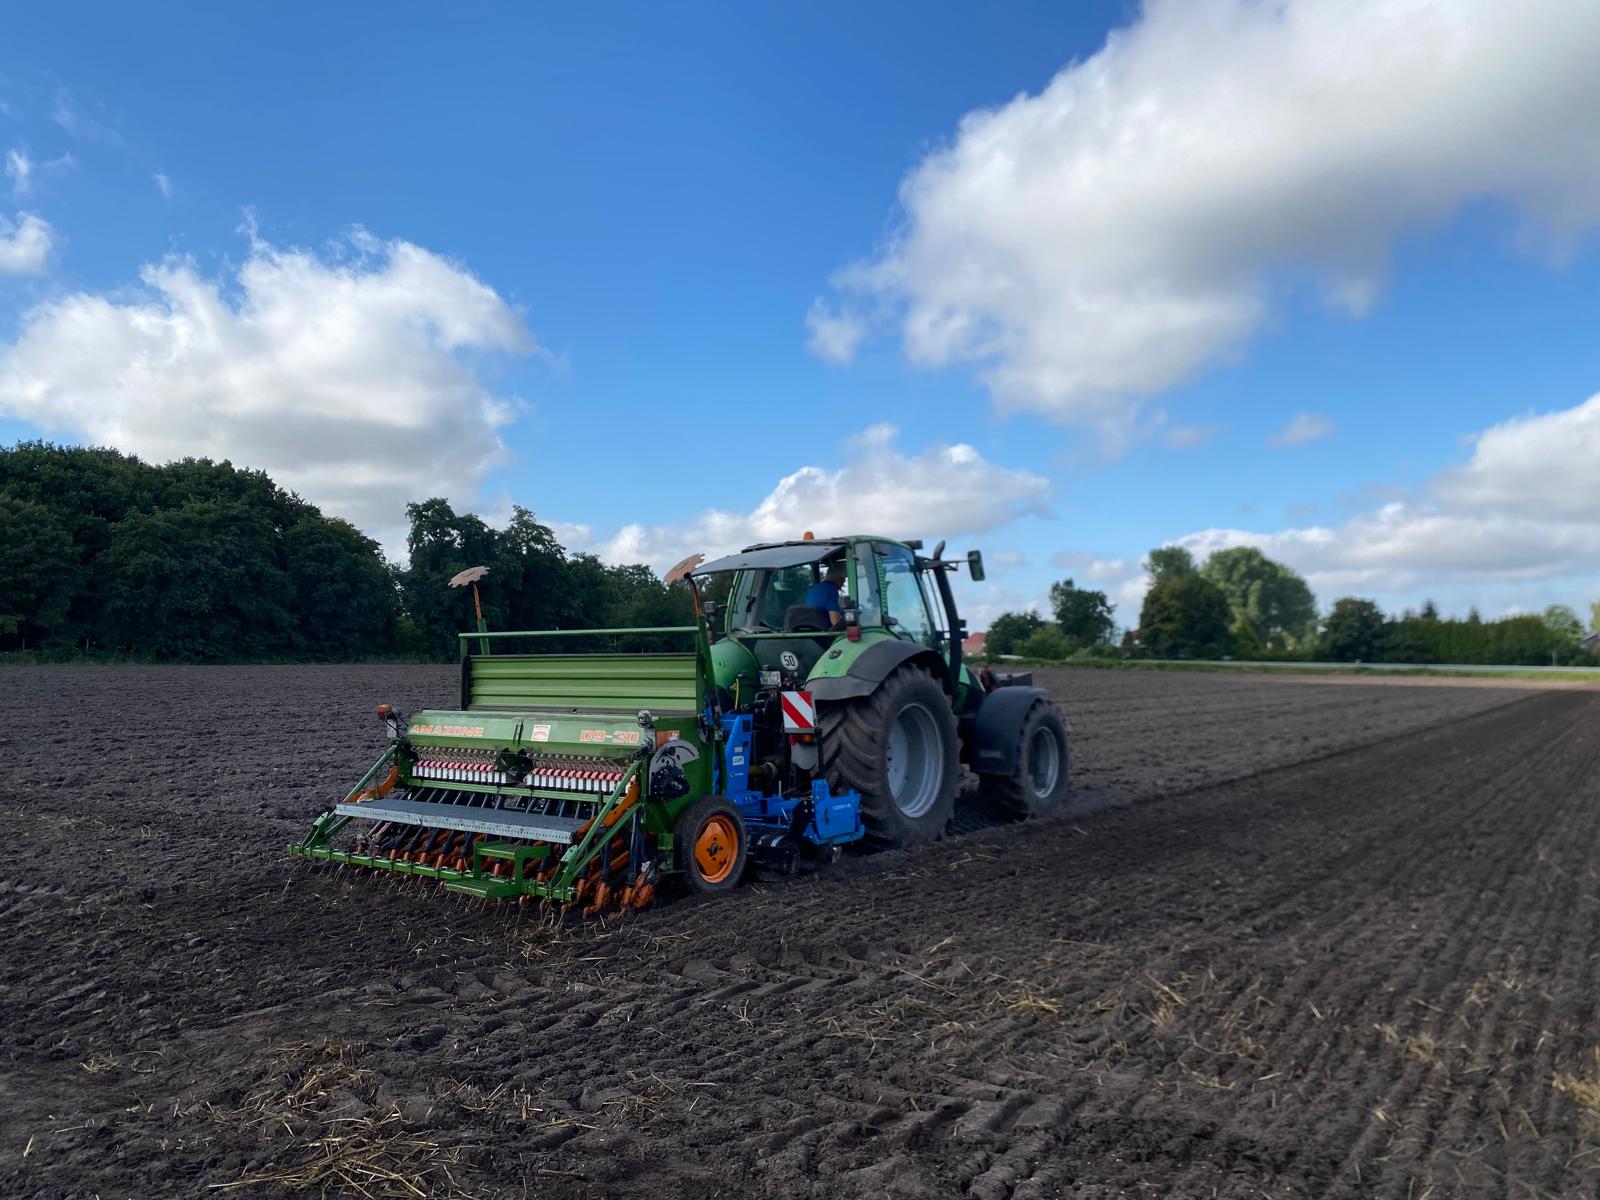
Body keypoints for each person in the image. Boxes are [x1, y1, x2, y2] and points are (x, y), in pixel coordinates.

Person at [803, 561, 848, 627]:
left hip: (812, 628)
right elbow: (835, 622)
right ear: (839, 578)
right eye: (844, 578)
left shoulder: (814, 588)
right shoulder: (831, 590)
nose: (844, 581)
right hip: (824, 631)